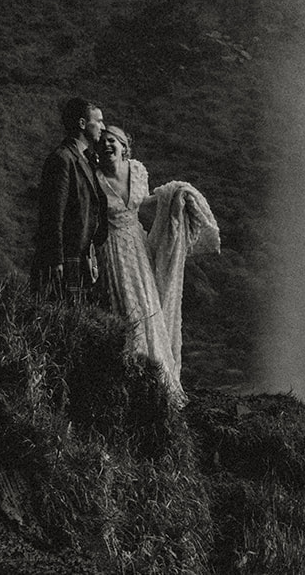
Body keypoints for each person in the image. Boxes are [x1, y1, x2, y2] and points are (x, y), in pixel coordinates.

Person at [95, 125, 220, 406]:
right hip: (111, 250)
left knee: (149, 307)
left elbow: (143, 202)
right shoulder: (95, 177)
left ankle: (156, 376)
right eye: (102, 141)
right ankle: (132, 378)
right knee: (125, 308)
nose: (107, 145)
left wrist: (174, 197)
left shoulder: (137, 171)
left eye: (113, 140)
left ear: (125, 146)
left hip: (137, 249)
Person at [34, 97, 109, 301]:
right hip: (65, 257)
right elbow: (53, 214)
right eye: (98, 121)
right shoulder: (62, 159)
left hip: (82, 255)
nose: (103, 127)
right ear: (82, 124)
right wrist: (55, 259)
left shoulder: (85, 158)